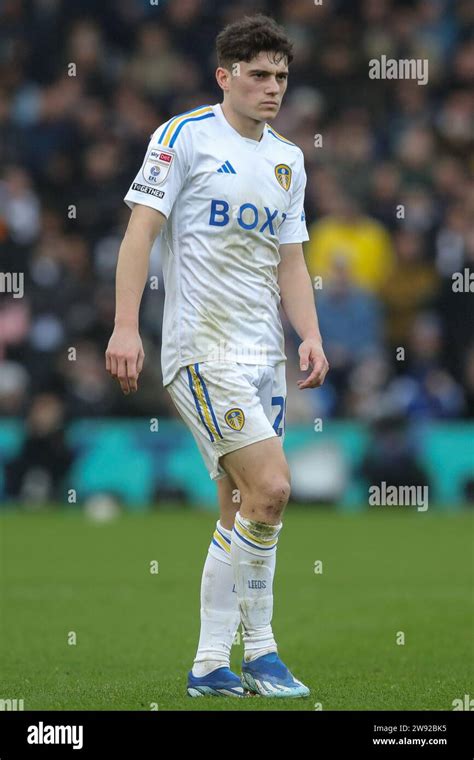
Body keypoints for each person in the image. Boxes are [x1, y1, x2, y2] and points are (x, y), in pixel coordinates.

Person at [105, 14, 329, 698]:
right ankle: (261, 652)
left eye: (281, 77)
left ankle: (209, 664)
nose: (271, 89)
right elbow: (140, 233)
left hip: (263, 355)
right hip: (201, 348)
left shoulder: (288, 159)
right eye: (258, 75)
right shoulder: (183, 138)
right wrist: (123, 326)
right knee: (274, 488)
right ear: (223, 77)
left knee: (242, 509)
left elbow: (291, 261)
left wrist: (309, 334)